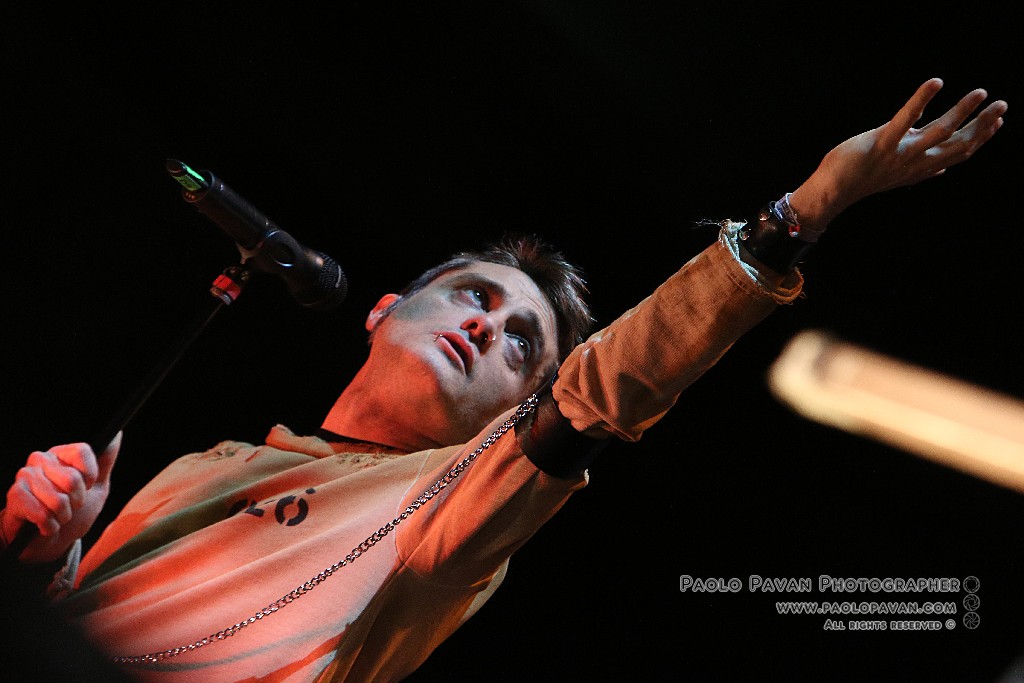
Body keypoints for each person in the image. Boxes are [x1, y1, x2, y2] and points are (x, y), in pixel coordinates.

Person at [0, 77, 1008, 681]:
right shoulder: (206, 463)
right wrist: (48, 553)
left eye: (523, 344)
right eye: (472, 297)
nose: (487, 327)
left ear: (513, 410)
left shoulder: (445, 515)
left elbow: (606, 383)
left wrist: (801, 212)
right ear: (384, 310)